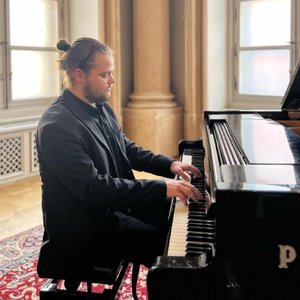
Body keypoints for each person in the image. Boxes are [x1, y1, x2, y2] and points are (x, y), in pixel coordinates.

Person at [36, 37, 205, 278]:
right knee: (175, 251)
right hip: (86, 228)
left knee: (189, 215)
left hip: (115, 206)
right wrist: (162, 188)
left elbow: (126, 148)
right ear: (79, 75)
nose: (113, 81)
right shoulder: (57, 126)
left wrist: (170, 164)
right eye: (105, 74)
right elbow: (94, 188)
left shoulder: (100, 106)